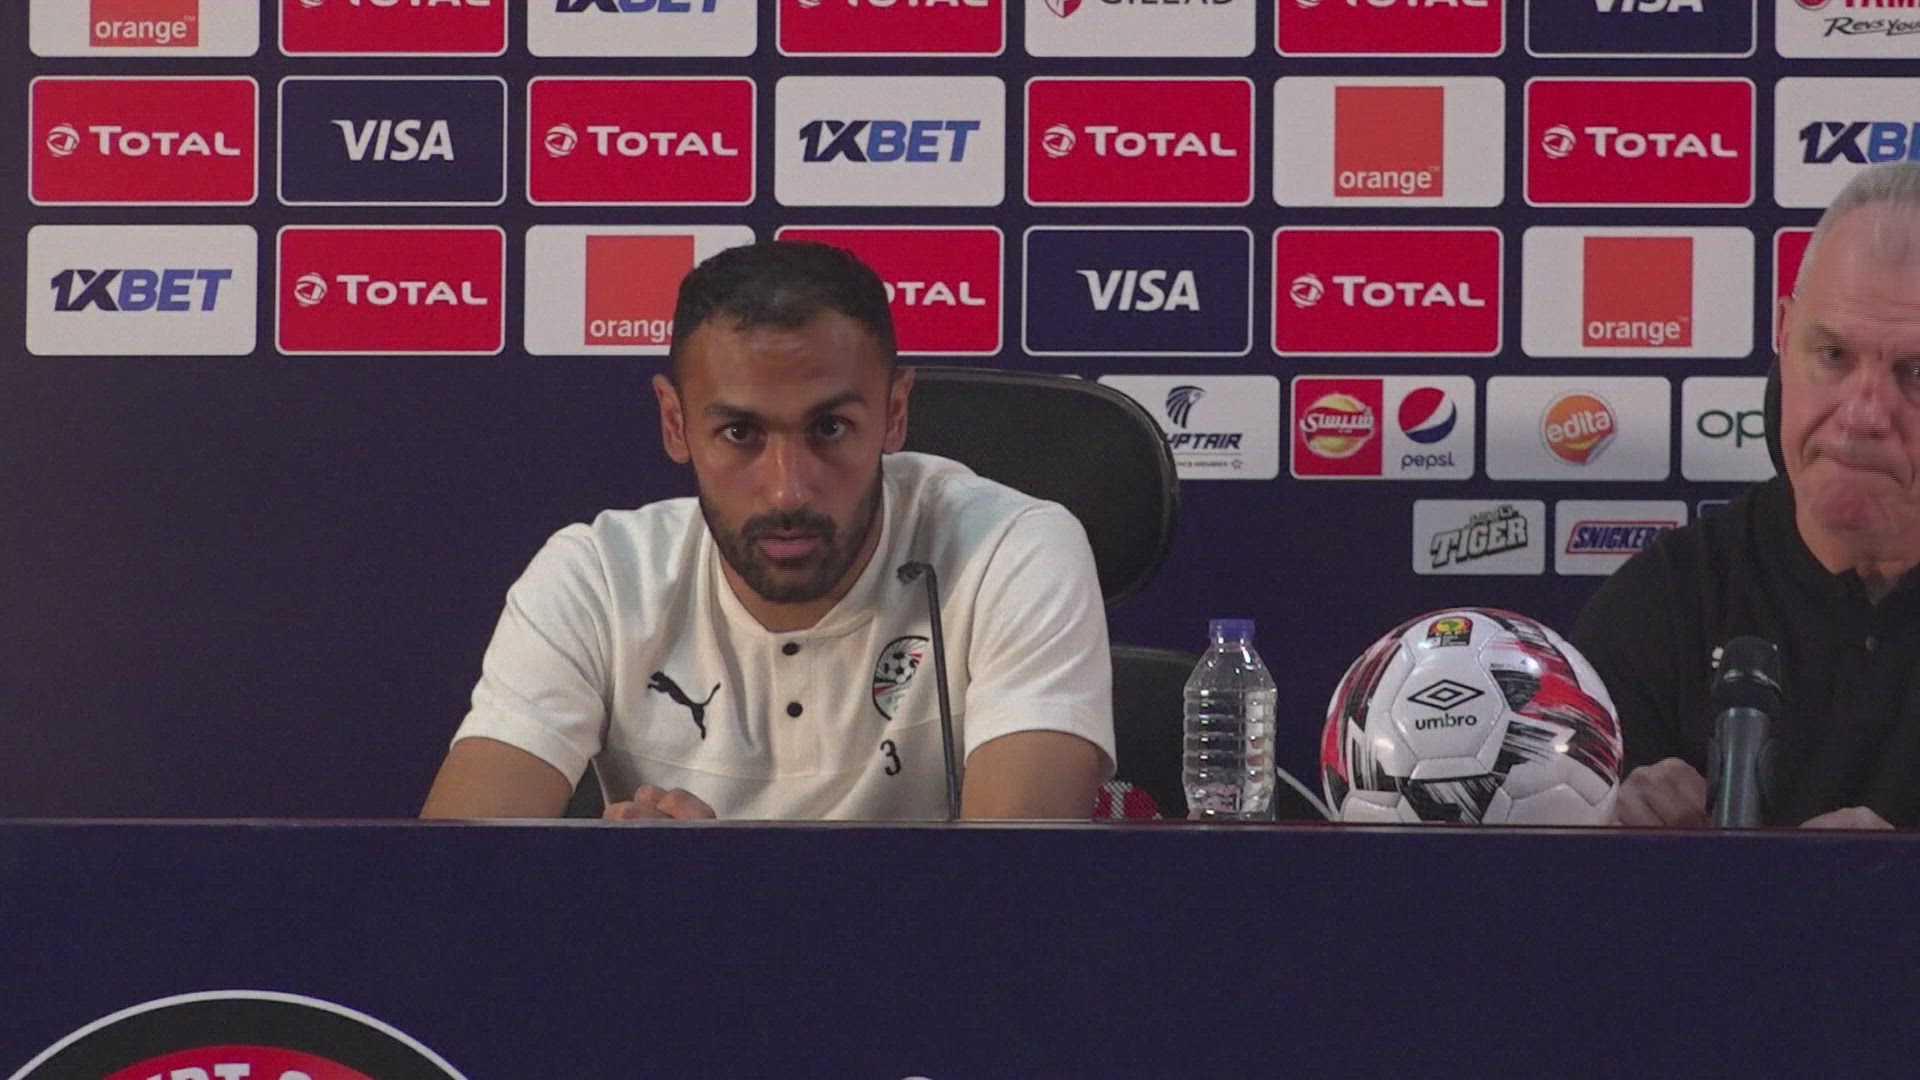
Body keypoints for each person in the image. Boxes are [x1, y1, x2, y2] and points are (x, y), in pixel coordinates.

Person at [420, 241, 1113, 821]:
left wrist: (725, 892)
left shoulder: (1011, 551)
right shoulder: (595, 579)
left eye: (830, 428)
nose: (787, 489)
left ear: (895, 413)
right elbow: (453, 884)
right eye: (740, 433)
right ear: (675, 422)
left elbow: (1018, 891)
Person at [1573, 162, 1920, 829]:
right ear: (1784, 335)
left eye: (1916, 372)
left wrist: (1897, 878)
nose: (1862, 414)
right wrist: (1608, 845)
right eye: (1833, 355)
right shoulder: (1665, 604)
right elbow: (1528, 888)